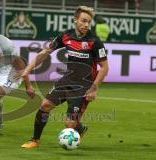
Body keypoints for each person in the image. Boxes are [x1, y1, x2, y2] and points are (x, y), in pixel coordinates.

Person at [20, 6, 109, 148]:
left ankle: (79, 128)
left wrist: (94, 88)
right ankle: (34, 140)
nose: (86, 25)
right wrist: (27, 70)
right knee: (45, 105)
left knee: (69, 124)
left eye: (89, 22)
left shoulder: (94, 41)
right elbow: (45, 52)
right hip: (67, 80)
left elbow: (104, 67)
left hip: (83, 87)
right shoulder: (65, 36)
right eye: (83, 21)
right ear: (75, 20)